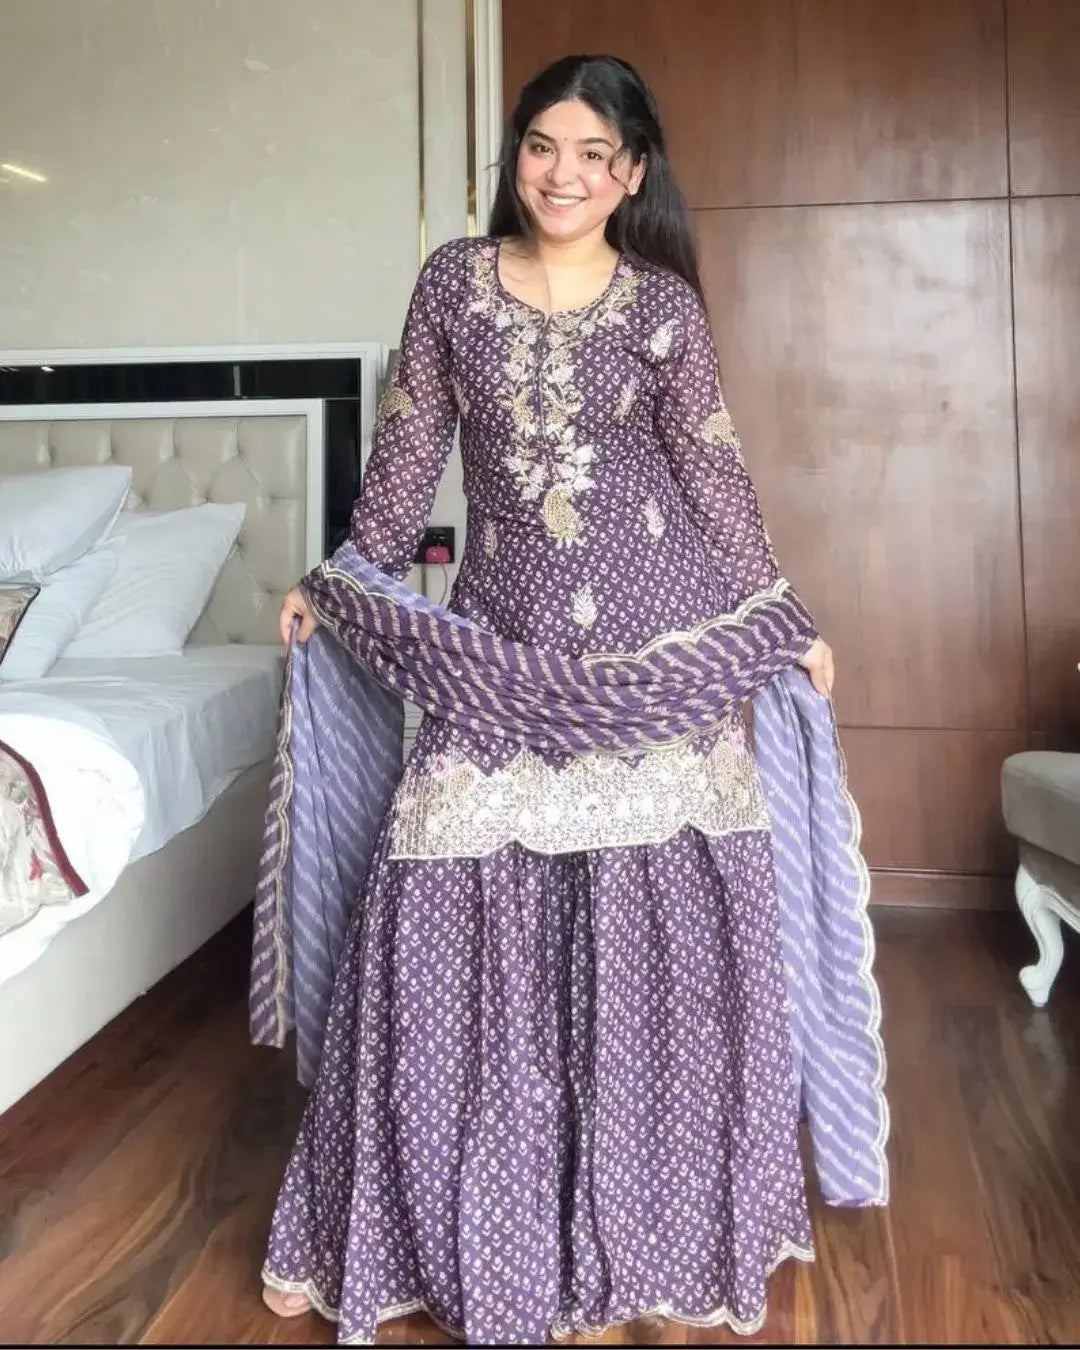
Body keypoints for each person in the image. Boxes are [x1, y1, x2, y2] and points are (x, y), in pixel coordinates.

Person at [254, 53, 887, 1346]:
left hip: (660, 653)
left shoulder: (661, 307)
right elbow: (408, 454)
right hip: (498, 649)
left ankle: (650, 1225)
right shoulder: (452, 286)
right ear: (515, 156)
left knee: (670, 946)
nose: (563, 172)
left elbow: (713, 474)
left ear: (632, 173)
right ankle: (381, 1225)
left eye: (595, 153)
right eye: (543, 145)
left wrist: (781, 613)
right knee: (427, 909)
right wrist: (344, 579)